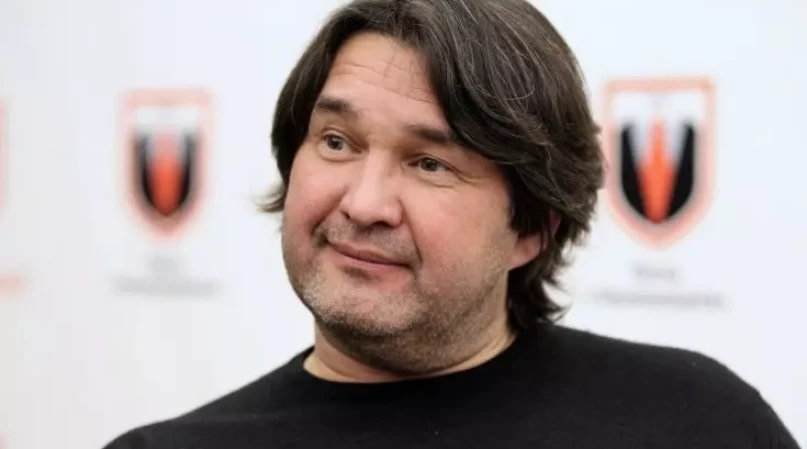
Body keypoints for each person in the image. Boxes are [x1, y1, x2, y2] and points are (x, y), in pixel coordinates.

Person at [103, 0, 800, 447]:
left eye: (430, 163)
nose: (363, 203)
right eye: (337, 142)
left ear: (531, 227)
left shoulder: (695, 420)